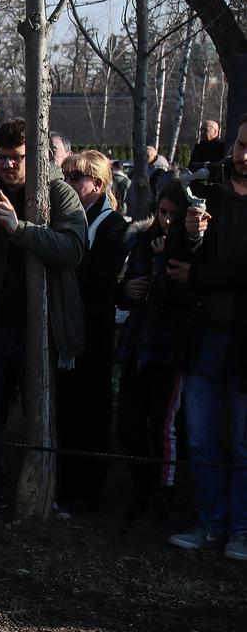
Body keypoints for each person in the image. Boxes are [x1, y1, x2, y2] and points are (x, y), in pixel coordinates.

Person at [0, 118, 88, 526]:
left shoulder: (57, 192)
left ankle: (45, 494)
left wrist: (19, 228)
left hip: (41, 328)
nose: (8, 166)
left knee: (40, 416)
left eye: (17, 158)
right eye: (2, 157)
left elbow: (74, 249)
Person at [167, 114, 247, 556]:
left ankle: (242, 528)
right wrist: (191, 237)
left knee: (242, 440)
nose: (243, 155)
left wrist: (201, 274)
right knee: (200, 435)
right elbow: (177, 264)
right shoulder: (210, 188)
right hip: (203, 337)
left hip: (243, 343)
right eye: (239, 145)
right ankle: (212, 522)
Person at [56, 149, 128, 514]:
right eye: (65, 177)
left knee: (92, 412)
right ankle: (66, 485)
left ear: (97, 184)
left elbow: (99, 282)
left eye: (75, 179)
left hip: (93, 335)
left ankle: (88, 491)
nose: (68, 185)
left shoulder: (114, 226)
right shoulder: (68, 219)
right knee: (67, 410)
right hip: (66, 331)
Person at [116, 181, 192, 522]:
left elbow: (178, 299)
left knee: (163, 429)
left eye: (174, 215)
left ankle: (165, 496)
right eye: (162, 212)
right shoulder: (143, 240)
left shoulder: (191, 248)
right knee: (129, 425)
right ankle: (140, 490)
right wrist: (126, 290)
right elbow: (124, 287)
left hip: (170, 349)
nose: (166, 220)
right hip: (138, 346)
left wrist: (162, 265)